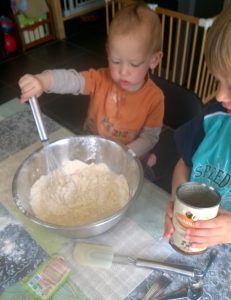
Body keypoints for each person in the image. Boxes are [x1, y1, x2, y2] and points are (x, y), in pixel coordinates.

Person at [18, 2, 164, 176]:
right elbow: (72, 80)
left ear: (154, 60)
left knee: (144, 175)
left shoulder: (155, 98)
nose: (123, 72)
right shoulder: (100, 79)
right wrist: (43, 81)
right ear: (108, 52)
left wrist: (125, 153)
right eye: (115, 61)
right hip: (92, 143)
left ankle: (147, 160)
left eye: (134, 64)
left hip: (128, 154)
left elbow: (149, 137)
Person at [164, 2, 231, 248]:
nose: (220, 95)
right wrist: (177, 199)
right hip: (191, 245)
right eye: (218, 81)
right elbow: (184, 164)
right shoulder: (213, 120)